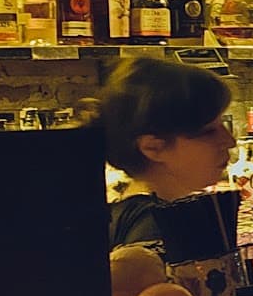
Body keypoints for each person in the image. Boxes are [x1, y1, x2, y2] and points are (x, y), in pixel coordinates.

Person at [98, 56, 234, 248]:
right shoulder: (153, 227)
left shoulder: (140, 211)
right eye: (208, 131)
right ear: (153, 148)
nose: (230, 141)